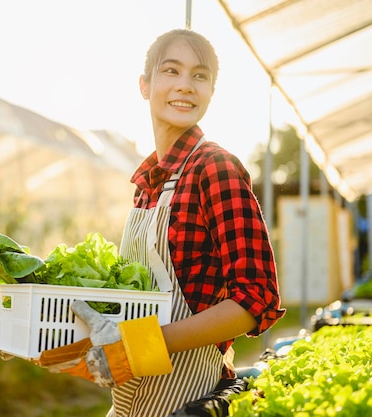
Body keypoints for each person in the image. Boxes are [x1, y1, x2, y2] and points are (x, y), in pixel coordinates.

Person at [38, 28, 285, 417]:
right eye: (171, 71)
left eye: (199, 76)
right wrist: (46, 341)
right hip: (129, 403)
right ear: (144, 85)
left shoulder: (215, 168)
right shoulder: (145, 185)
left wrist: (142, 345)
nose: (185, 86)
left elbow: (255, 300)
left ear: (211, 92)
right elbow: (134, 312)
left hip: (190, 401)